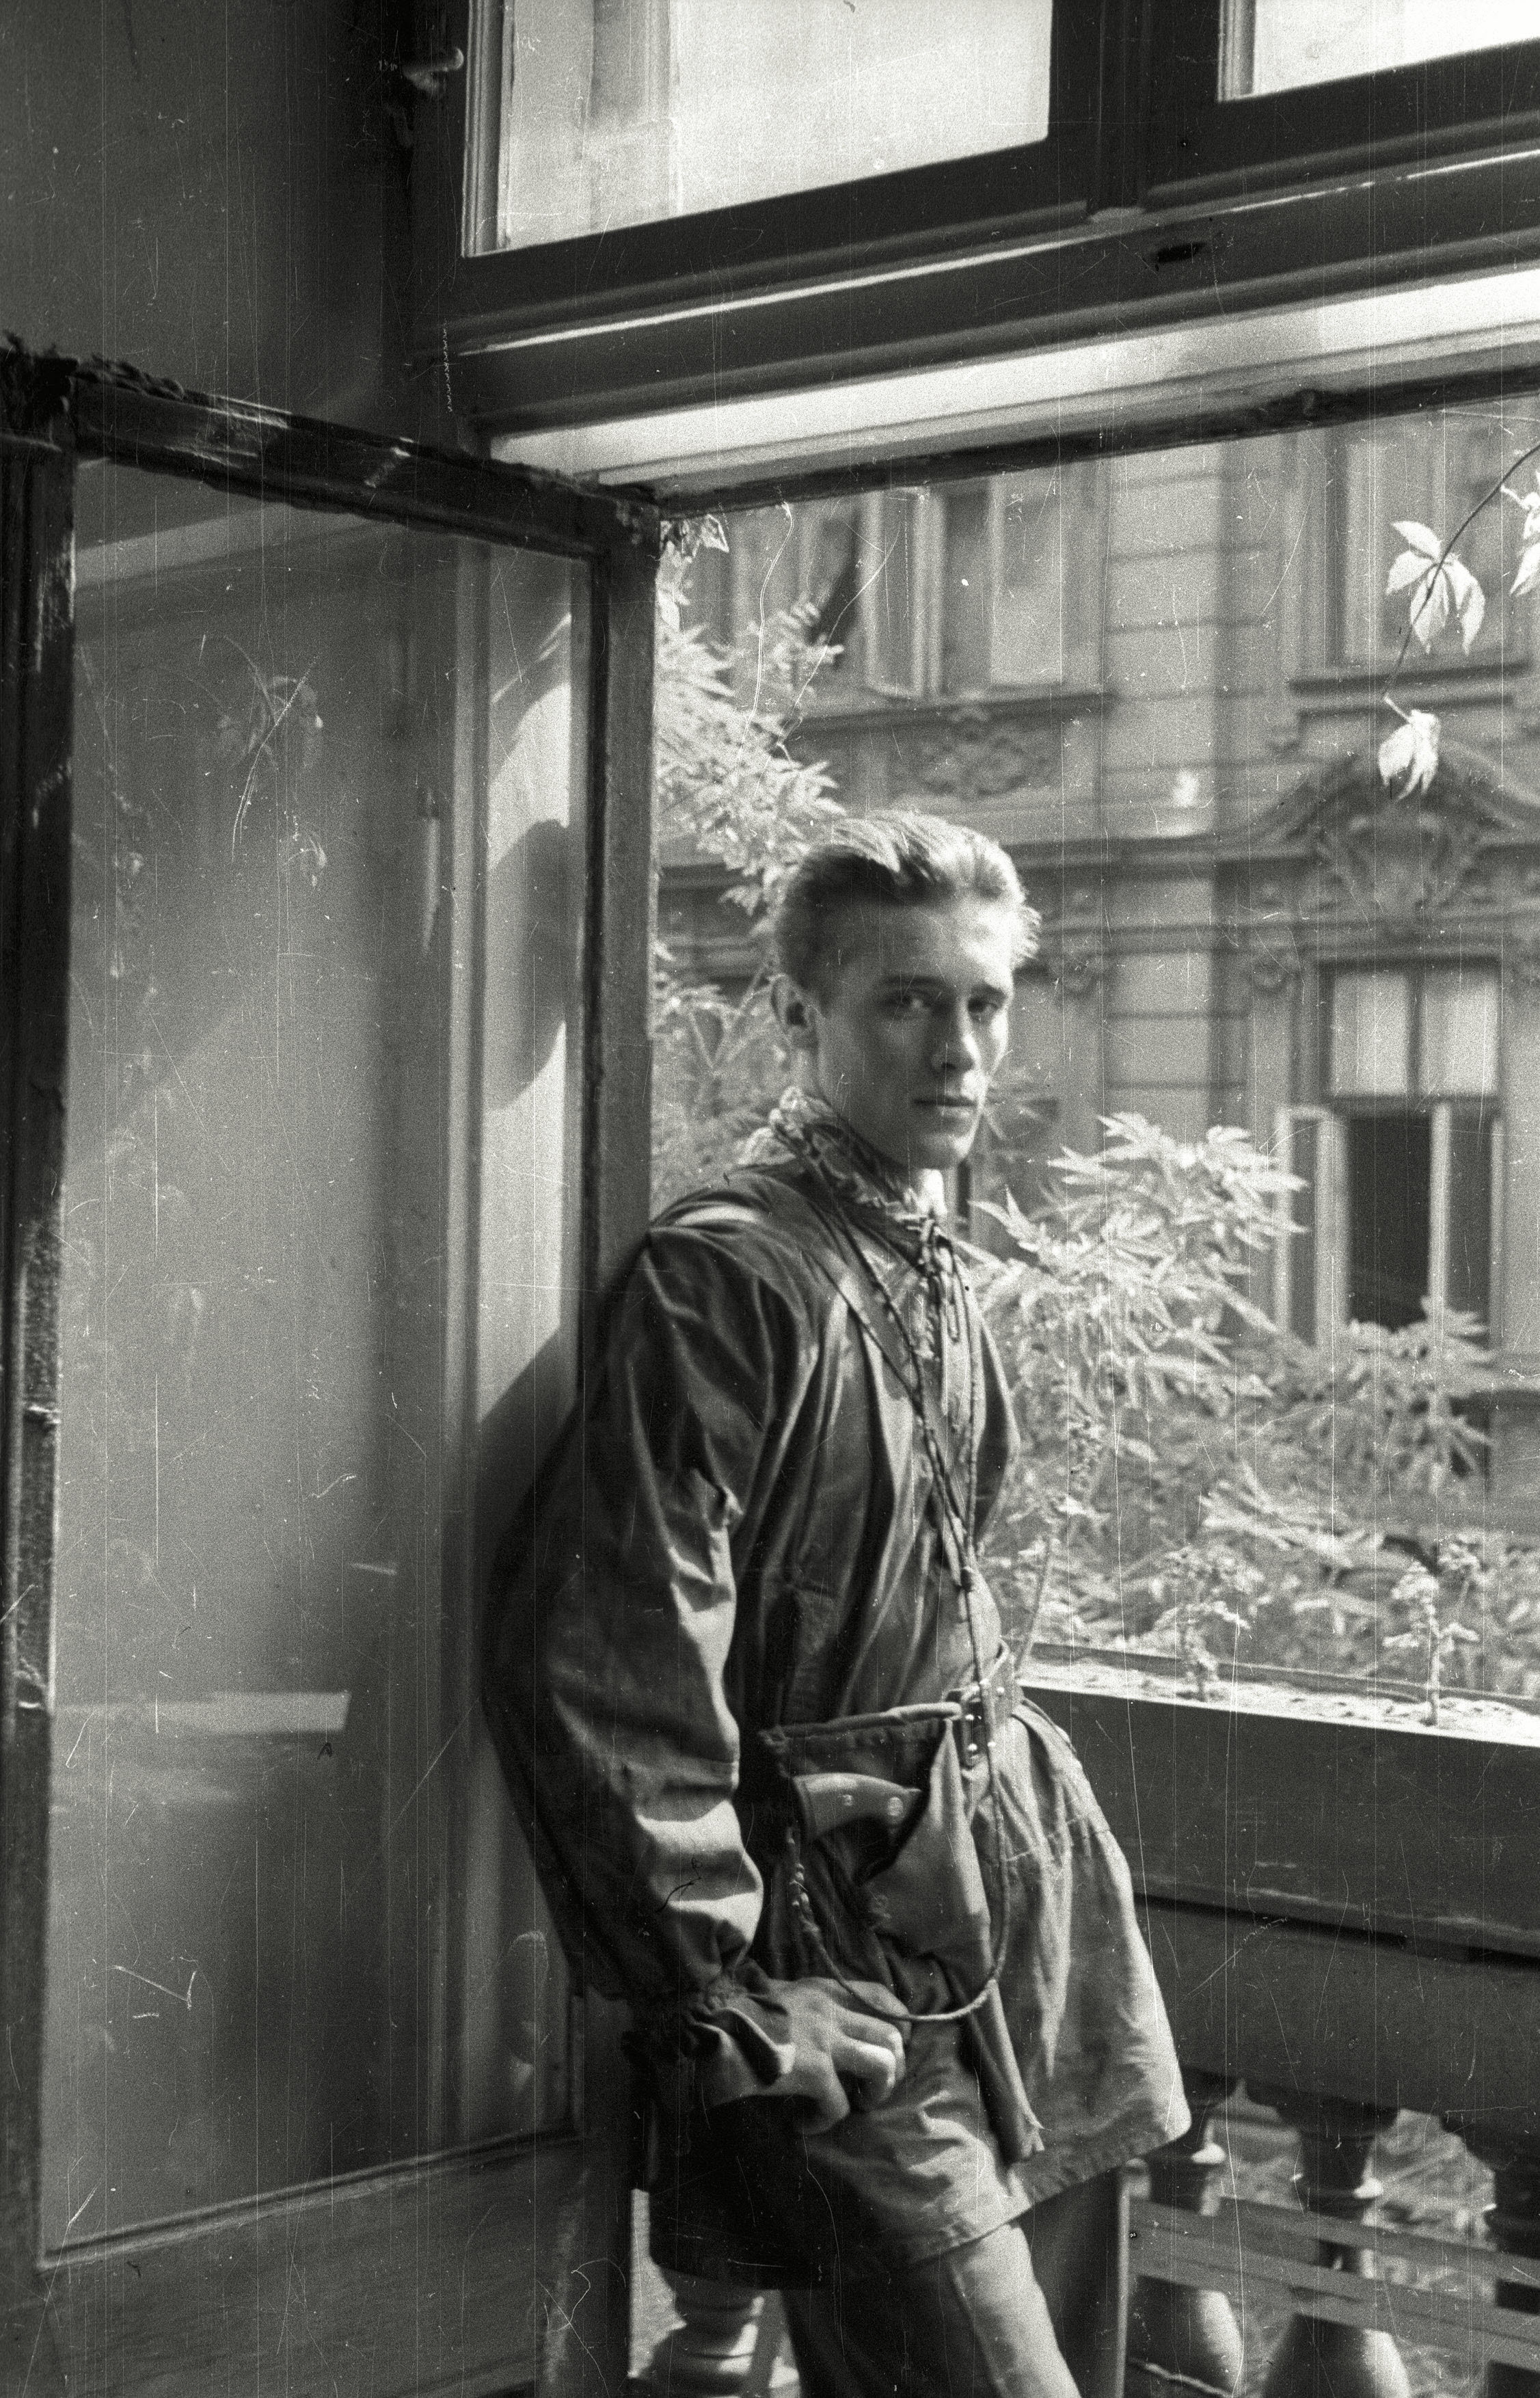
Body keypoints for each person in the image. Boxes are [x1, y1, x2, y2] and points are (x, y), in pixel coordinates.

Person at [483, 813, 1187, 2398]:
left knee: (1093, 2352)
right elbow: (604, 1656)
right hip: (841, 1954)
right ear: (799, 1017)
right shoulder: (725, 1277)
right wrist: (720, 1981)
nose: (958, 1046)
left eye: (985, 1003)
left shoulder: (922, 1245)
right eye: (904, 1002)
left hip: (1020, 1910)